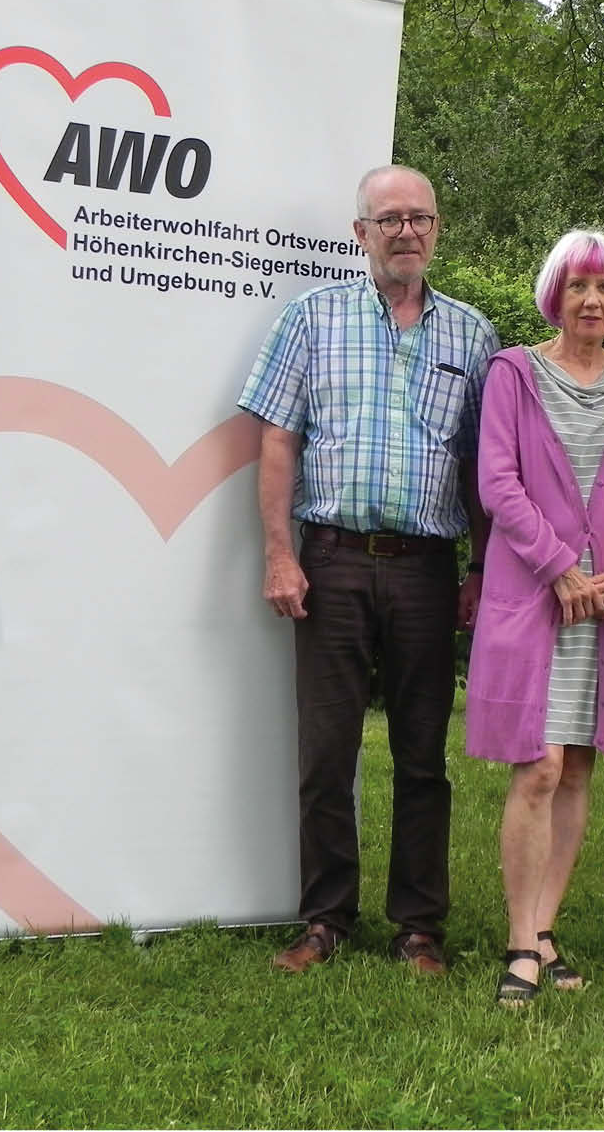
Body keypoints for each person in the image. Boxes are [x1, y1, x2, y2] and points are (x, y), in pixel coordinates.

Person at [238, 165, 498, 976]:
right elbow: (276, 439)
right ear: (360, 233)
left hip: (426, 570)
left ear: (438, 229)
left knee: (424, 754)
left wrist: (482, 568)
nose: (405, 232)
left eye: (419, 217)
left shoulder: (473, 335)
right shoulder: (311, 320)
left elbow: (486, 464)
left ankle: (419, 926)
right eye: (388, 218)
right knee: (327, 753)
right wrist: (280, 552)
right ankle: (325, 919)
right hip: (334, 562)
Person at [465, 229, 604, 1007]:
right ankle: (519, 939)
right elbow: (496, 482)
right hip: (535, 596)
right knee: (538, 765)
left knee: (579, 766)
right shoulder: (514, 371)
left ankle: (547, 928)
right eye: (577, 286)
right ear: (555, 293)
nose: (590, 300)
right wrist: (559, 567)